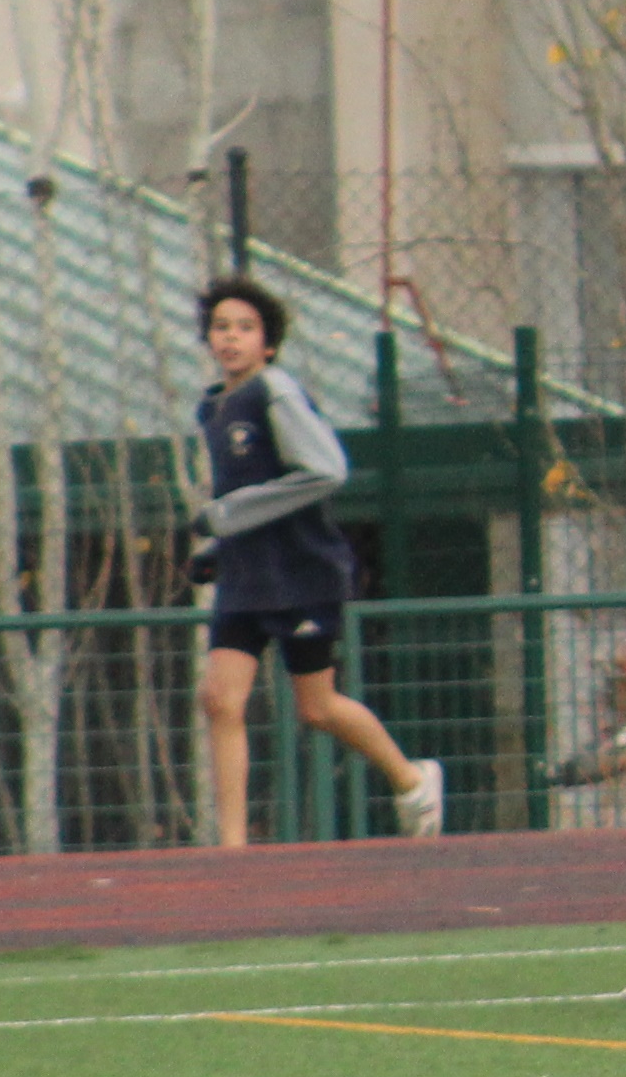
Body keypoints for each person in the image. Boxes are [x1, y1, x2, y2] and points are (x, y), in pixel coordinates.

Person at [189, 279, 444, 847]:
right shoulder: (214, 406)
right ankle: (231, 848)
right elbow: (250, 494)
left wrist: (226, 515)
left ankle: (412, 780)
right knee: (218, 699)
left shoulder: (273, 392)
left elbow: (326, 470)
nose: (231, 338)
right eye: (221, 327)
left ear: (269, 344)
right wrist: (217, 548)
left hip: (300, 576)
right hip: (246, 580)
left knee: (317, 707)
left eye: (246, 329)